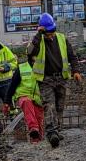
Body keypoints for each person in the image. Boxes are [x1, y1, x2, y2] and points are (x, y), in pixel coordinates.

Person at [27, 13, 82, 148]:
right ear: (42, 30)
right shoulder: (37, 42)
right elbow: (30, 52)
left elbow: (72, 56)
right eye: (48, 32)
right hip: (45, 79)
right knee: (49, 105)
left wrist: (75, 71)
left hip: (61, 78)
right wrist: (39, 35)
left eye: (52, 31)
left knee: (59, 106)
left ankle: (57, 130)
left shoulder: (62, 39)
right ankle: (51, 133)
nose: (51, 35)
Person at [4, 54, 44, 143]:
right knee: (27, 102)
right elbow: (12, 86)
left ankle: (38, 142)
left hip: (38, 99)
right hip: (24, 95)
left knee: (39, 120)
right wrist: (7, 102)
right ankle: (33, 129)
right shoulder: (22, 68)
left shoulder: (44, 66)